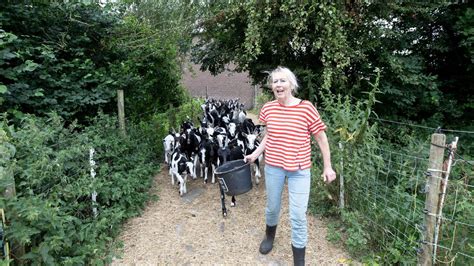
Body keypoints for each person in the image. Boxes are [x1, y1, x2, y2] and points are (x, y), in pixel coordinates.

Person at [244, 66, 336, 266]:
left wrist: (328, 167)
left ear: (291, 84)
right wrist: (255, 154)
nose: (278, 85)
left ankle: (299, 262)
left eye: (282, 81)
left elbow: (320, 137)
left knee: (298, 216)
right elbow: (270, 135)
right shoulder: (268, 109)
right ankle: (269, 237)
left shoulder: (306, 108)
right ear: (272, 87)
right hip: (274, 166)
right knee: (272, 207)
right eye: (275, 82)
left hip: (300, 170)